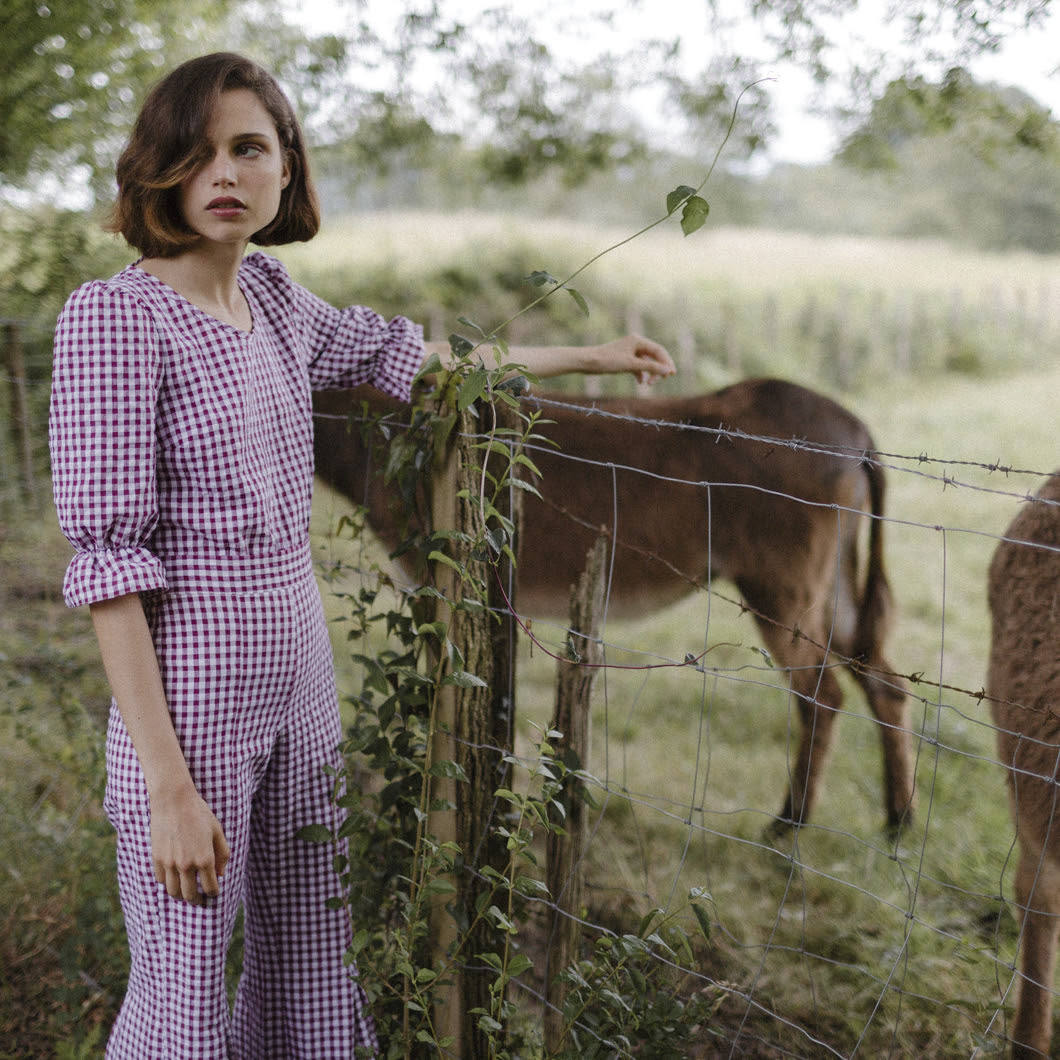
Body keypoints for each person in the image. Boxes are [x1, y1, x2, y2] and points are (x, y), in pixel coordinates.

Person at [48, 51, 674, 1059]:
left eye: (249, 147)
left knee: (308, 947)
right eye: (196, 150)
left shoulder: (276, 300)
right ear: (156, 168)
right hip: (192, 698)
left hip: (300, 674)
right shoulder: (117, 317)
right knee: (186, 979)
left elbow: (419, 362)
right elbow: (110, 566)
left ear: (285, 169)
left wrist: (589, 359)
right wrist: (167, 786)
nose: (224, 172)